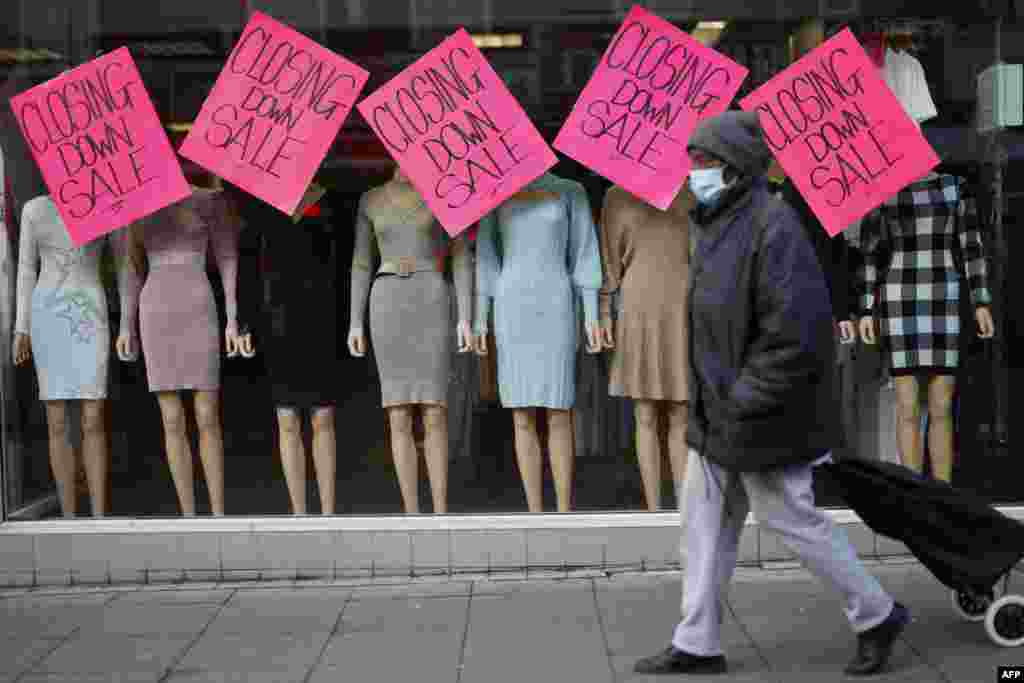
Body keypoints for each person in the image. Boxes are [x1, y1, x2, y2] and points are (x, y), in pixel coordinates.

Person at [634, 111, 908, 677]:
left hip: (762, 413)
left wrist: (741, 398)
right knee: (703, 526)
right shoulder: (714, 222)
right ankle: (696, 642)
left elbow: (795, 335)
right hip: (719, 411)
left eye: (704, 162)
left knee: (790, 518)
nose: (694, 172)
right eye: (693, 161)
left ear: (734, 169)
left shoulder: (773, 226)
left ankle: (877, 612)